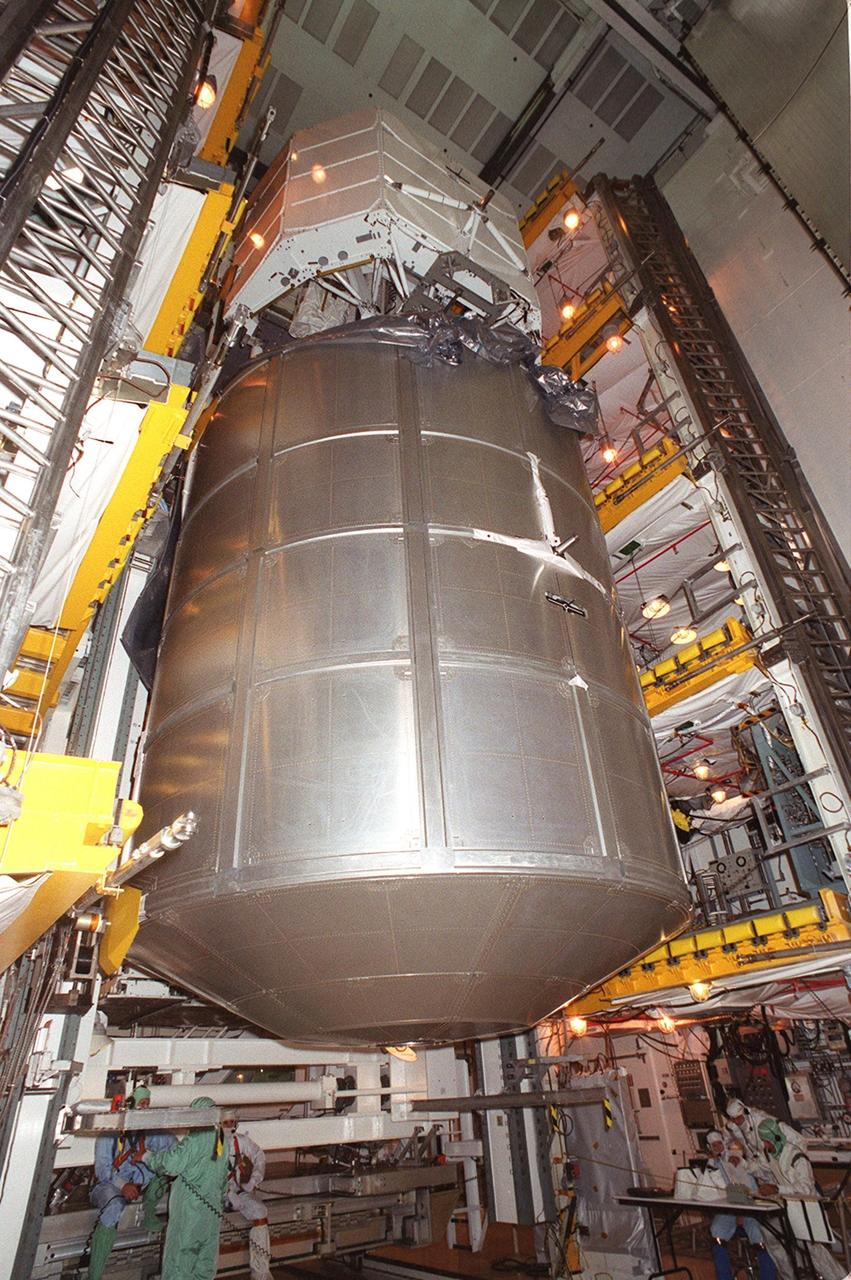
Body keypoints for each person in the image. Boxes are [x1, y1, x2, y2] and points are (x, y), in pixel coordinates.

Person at [86, 1084, 174, 1280]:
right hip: (109, 1186)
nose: (144, 1107)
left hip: (141, 1185)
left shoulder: (154, 1133)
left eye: (147, 1104)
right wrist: (123, 1185)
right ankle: (94, 1275)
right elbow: (102, 1170)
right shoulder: (109, 1133)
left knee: (162, 1179)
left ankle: (149, 1213)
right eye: (141, 1103)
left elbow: (174, 1150)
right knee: (114, 1206)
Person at [143, 1096, 229, 1280]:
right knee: (205, 1263)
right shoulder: (223, 1139)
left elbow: (171, 1164)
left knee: (179, 1261)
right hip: (212, 1213)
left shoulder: (196, 1138)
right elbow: (224, 1178)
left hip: (190, 1211)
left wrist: (146, 1157)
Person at [757, 1118, 846, 1280]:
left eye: (766, 1141)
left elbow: (805, 1188)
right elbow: (762, 1170)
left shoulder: (797, 1157)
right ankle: (790, 1276)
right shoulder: (772, 1156)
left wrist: (778, 1189)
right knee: (770, 1235)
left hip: (808, 1208)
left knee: (815, 1251)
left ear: (775, 1138)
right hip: (788, 1209)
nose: (765, 1145)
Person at [705, 1131, 777, 1280]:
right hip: (727, 1209)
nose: (717, 1147)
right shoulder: (711, 1165)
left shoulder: (735, 1158)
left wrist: (741, 1213)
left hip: (750, 1207)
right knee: (716, 1231)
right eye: (713, 1145)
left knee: (759, 1233)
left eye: (719, 1143)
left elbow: (748, 1187)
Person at [226, 1128, 273, 1280]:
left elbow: (259, 1155)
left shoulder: (239, 1141)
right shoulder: (208, 1142)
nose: (228, 1126)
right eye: (225, 1122)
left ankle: (260, 1272)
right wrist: (227, 1193)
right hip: (211, 1194)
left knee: (260, 1211)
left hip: (236, 1190)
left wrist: (253, 1181)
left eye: (232, 1122)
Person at [725, 1097, 804, 1163]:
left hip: (777, 1161)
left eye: (738, 1118)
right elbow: (725, 1140)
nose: (736, 1122)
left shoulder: (762, 1119)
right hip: (759, 1165)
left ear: (745, 1112)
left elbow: (796, 1138)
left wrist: (800, 1156)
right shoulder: (732, 1127)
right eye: (733, 1119)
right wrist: (733, 1155)